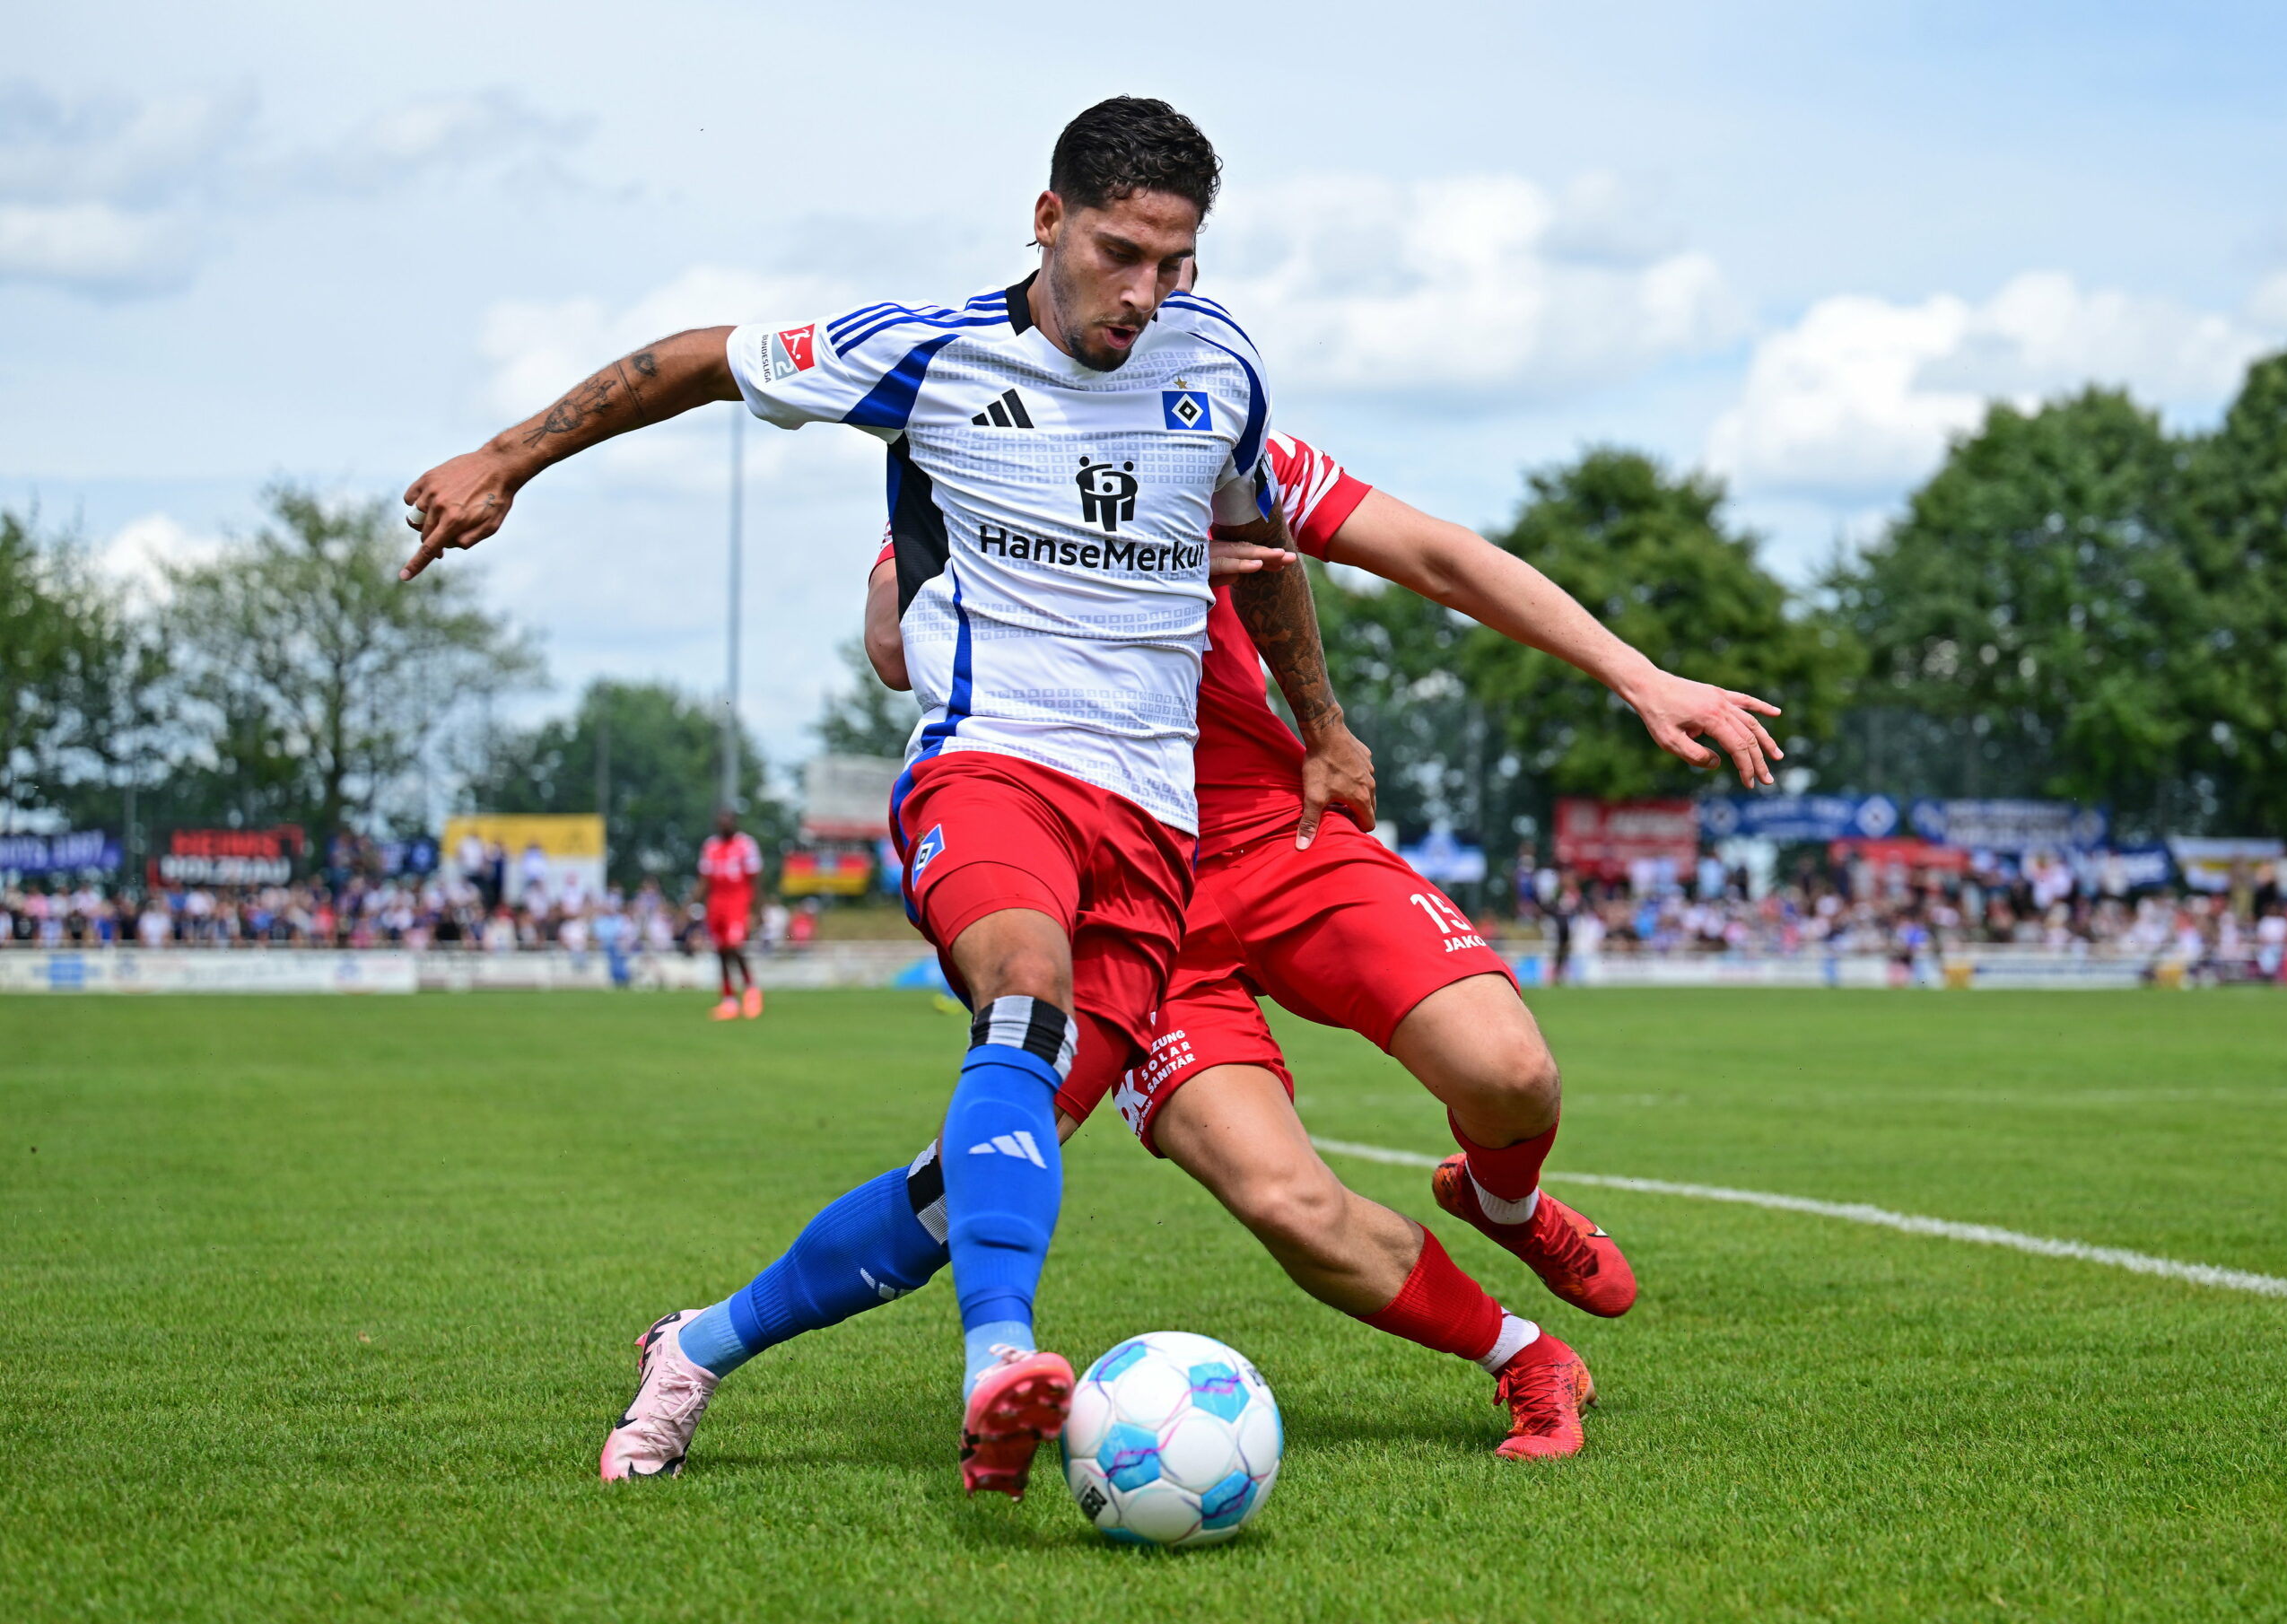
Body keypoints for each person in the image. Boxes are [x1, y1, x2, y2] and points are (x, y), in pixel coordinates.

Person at [401, 97, 1361, 1497]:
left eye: (1177, 262)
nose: (1147, 294)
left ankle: (697, 1348)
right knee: (1021, 998)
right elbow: (695, 361)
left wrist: (1321, 730)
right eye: (1120, 253)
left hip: (1154, 826)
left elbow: (1260, 545)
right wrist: (505, 459)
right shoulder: (933, 353)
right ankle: (997, 1369)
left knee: (957, 1185)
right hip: (994, 772)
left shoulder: (1216, 364)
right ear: (1048, 222)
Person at [591, 421, 1786, 1480]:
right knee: (1258, 1194)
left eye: (1173, 271)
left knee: (1510, 1071)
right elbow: (900, 651)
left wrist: (1637, 673)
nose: (1148, 304)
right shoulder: (973, 479)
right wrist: (1003, 564)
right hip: (1128, 889)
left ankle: (1505, 1198)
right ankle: (1529, 1358)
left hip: (1283, 836)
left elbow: (1439, 555)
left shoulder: (1215, 433)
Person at [695, 809, 764, 1020]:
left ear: (734, 823)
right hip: (716, 902)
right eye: (721, 821)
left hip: (738, 901)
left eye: (728, 821)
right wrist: (688, 905)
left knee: (735, 946)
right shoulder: (710, 846)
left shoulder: (746, 845)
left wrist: (758, 910)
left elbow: (755, 879)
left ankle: (751, 989)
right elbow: (704, 880)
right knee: (721, 951)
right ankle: (729, 1000)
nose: (724, 825)